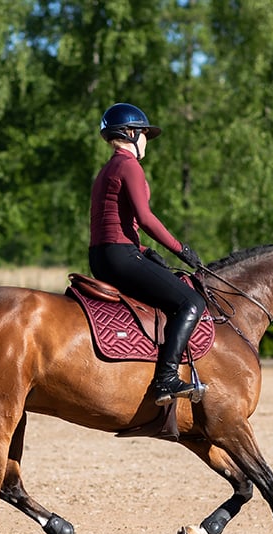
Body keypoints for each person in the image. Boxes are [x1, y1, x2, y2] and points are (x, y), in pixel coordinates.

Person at [88, 102, 207, 406]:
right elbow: (145, 217)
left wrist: (145, 250)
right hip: (120, 256)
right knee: (191, 301)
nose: (146, 142)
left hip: (103, 256)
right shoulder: (129, 166)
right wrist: (181, 250)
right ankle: (166, 378)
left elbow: (113, 225)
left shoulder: (107, 170)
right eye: (143, 134)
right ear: (129, 133)